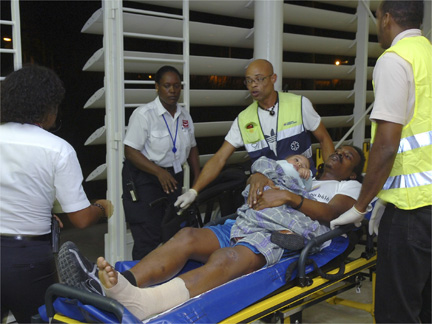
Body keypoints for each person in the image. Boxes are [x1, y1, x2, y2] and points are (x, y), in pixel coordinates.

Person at [60, 145, 364, 321]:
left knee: (226, 257)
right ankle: (118, 285)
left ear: (352, 173)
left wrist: (290, 198)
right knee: (188, 236)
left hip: (276, 235)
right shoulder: (299, 175)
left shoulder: (346, 188)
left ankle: (144, 304)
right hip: (245, 222)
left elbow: (329, 214)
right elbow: (266, 169)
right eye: (338, 150)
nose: (339, 154)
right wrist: (261, 175)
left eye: (348, 156)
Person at [330, 1, 431, 322]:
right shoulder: (427, 55)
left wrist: (362, 206)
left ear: (386, 18)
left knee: (396, 315)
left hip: (411, 215)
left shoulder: (394, 60)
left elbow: (386, 147)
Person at [0, 65, 113, 324]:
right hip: (27, 260)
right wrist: (102, 206)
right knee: (43, 319)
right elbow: (81, 219)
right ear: (47, 106)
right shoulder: (57, 149)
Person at [175, 58, 334, 213]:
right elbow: (219, 158)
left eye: (259, 79)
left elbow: (324, 139)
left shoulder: (299, 104)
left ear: (273, 78)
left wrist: (332, 181)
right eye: (249, 81)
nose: (253, 85)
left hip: (303, 189)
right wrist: (194, 191)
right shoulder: (244, 119)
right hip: (268, 196)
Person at [122, 65, 200, 260]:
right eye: (167, 86)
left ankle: (165, 281)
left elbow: (192, 148)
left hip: (173, 178)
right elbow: (130, 151)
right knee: (147, 238)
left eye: (176, 85)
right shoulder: (144, 115)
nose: (172, 90)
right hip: (146, 179)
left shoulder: (184, 116)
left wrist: (198, 182)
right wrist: (158, 172)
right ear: (157, 87)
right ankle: (137, 284)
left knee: (171, 233)